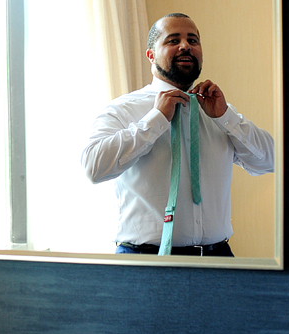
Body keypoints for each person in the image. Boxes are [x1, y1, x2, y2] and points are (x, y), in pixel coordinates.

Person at [80, 13, 274, 256]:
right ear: (151, 54)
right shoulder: (124, 109)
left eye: (193, 40)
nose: (186, 46)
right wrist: (156, 120)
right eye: (173, 40)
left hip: (218, 259)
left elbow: (271, 160)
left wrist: (226, 117)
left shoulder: (218, 112)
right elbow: (93, 167)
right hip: (145, 260)